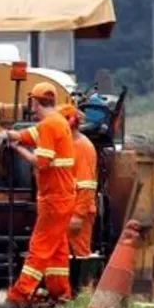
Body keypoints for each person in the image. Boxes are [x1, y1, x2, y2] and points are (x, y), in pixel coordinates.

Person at [0, 82, 77, 308]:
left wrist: (14, 147)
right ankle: (61, 294)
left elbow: (41, 162)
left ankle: (18, 296)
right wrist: (10, 134)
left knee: (39, 247)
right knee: (57, 249)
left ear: (35, 102)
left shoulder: (49, 125)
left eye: (31, 101)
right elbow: (29, 134)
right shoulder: (55, 121)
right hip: (61, 196)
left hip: (55, 198)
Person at [59, 103, 98, 280]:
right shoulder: (64, 143)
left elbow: (87, 185)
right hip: (64, 210)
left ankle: (81, 294)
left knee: (79, 256)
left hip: (77, 211)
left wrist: (78, 215)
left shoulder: (83, 147)